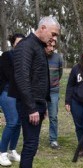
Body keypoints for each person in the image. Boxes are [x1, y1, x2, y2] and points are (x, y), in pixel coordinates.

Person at [12, 16, 60, 168]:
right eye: (53, 34)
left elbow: (39, 78)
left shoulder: (39, 46)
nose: (54, 38)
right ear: (43, 28)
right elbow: (22, 78)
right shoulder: (26, 46)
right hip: (29, 105)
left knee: (32, 145)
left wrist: (43, 105)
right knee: (30, 145)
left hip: (37, 103)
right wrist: (32, 108)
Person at [0, 33, 25, 166]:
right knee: (12, 121)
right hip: (6, 92)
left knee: (19, 122)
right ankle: (2, 152)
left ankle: (12, 150)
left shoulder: (25, 58)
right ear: (13, 43)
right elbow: (11, 76)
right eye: (18, 42)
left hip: (19, 94)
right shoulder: (6, 56)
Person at [45, 40, 63, 149]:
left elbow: (60, 74)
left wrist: (53, 83)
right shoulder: (38, 56)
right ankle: (33, 140)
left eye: (53, 46)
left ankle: (53, 139)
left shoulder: (58, 58)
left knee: (53, 116)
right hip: (40, 91)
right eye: (48, 46)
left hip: (54, 91)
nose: (51, 48)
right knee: (37, 116)